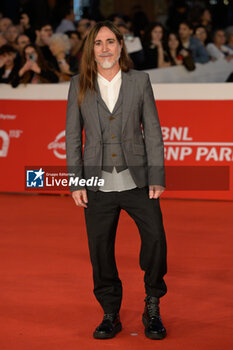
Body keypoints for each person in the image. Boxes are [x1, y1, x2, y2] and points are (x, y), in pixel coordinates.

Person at [66, 20, 167, 340]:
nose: (105, 48)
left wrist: (157, 175)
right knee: (100, 251)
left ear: (121, 46)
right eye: (98, 43)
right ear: (90, 50)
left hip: (138, 181)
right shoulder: (79, 83)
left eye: (110, 41)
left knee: (156, 242)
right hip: (96, 184)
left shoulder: (140, 81)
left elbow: (152, 130)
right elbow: (72, 136)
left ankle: (152, 303)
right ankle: (110, 312)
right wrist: (75, 181)